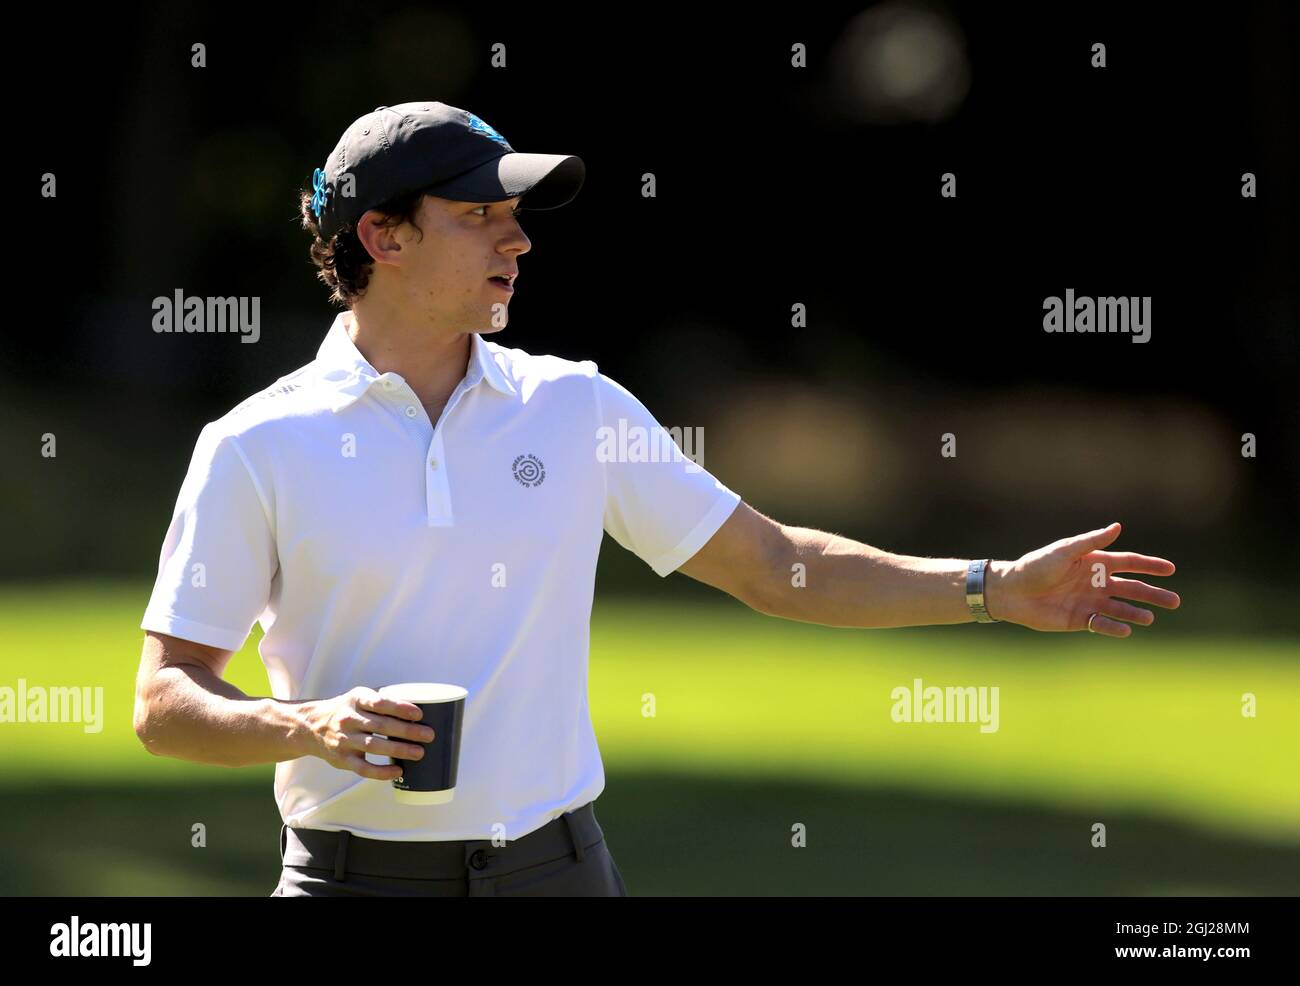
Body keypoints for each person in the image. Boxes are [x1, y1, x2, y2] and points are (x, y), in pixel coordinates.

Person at [133, 101, 1181, 898]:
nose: (518, 240)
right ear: (384, 237)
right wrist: (307, 724)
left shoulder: (574, 405)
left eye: (515, 217)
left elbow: (773, 566)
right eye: (480, 216)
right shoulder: (257, 444)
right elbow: (165, 700)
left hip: (557, 871)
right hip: (345, 879)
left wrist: (993, 587)